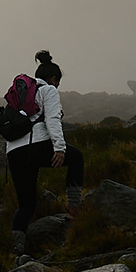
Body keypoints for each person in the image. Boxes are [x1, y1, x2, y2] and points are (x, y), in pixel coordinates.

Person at [6, 49, 85, 255]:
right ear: (53, 78)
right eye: (57, 82)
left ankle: (15, 250)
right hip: (37, 145)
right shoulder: (48, 90)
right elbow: (52, 120)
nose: (57, 85)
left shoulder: (22, 93)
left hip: (14, 151)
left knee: (26, 205)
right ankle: (74, 209)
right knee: (76, 158)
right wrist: (59, 148)